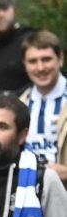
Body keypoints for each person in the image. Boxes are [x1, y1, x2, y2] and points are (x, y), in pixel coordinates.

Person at [19, 30, 67, 175]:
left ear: (60, 59)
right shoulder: (19, 104)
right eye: (33, 61)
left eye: (46, 59)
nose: (40, 68)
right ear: (24, 64)